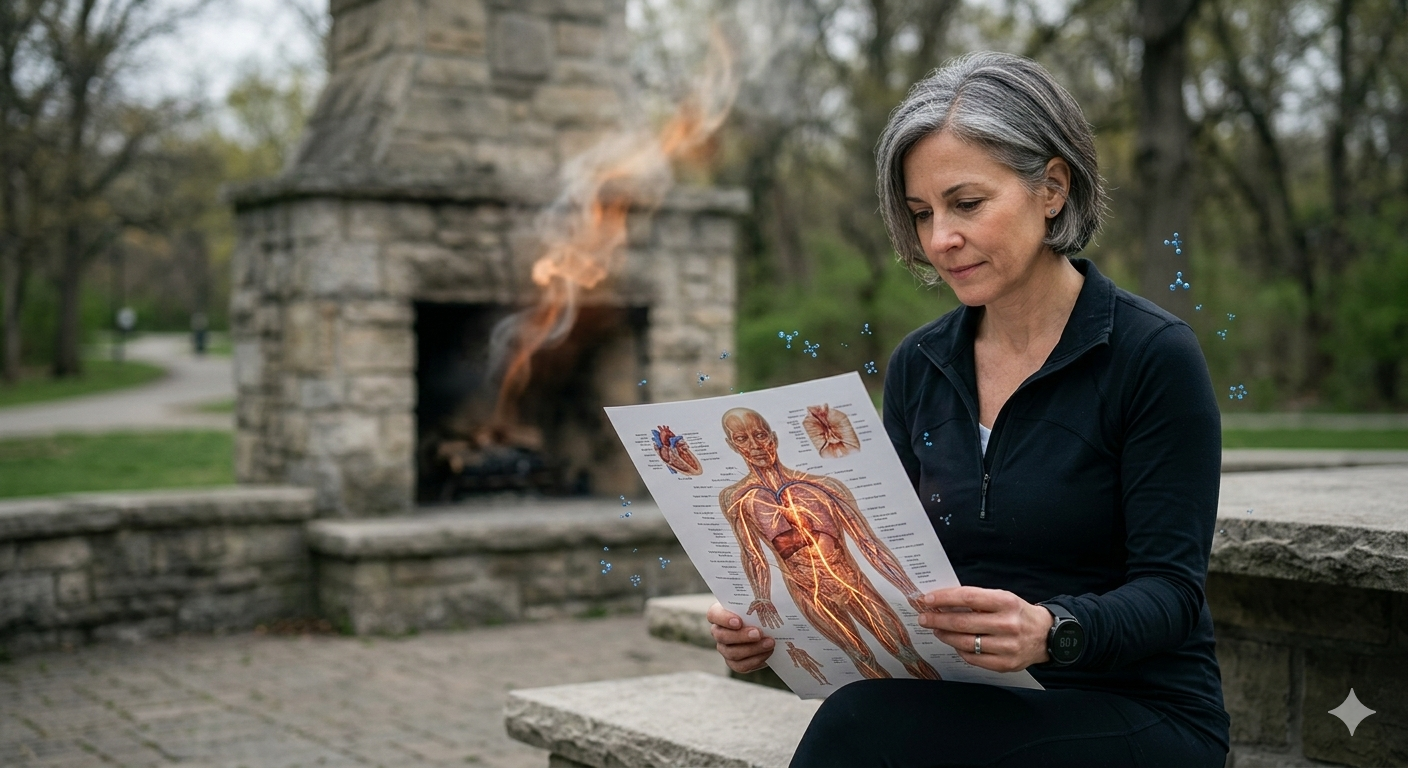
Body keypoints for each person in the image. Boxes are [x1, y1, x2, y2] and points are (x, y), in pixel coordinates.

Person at [706, 51, 1230, 767]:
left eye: (967, 204)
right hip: (970, 695)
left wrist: (1053, 628)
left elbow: (1172, 593)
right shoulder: (920, 365)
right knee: (865, 719)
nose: (939, 240)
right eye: (921, 214)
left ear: (1051, 188)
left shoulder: (1151, 357)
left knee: (860, 728)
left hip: (1136, 706)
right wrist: (768, 637)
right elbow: (891, 563)